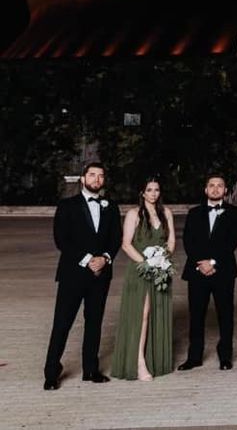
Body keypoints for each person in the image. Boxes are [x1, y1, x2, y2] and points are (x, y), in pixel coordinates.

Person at [43, 162, 122, 390]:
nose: (97, 179)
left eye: (100, 176)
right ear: (83, 179)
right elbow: (62, 240)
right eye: (92, 175)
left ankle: (91, 369)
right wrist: (88, 259)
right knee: (62, 323)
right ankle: (51, 372)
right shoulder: (67, 206)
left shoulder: (111, 206)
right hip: (73, 274)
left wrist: (105, 258)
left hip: (101, 275)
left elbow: (115, 238)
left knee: (94, 322)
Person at [110, 177, 176, 380]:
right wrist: (147, 263)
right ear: (142, 192)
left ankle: (157, 360)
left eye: (157, 189)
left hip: (161, 271)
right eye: (149, 190)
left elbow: (171, 240)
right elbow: (126, 244)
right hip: (140, 270)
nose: (153, 193)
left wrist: (163, 259)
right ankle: (138, 362)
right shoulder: (134, 214)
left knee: (157, 312)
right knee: (143, 314)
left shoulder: (166, 213)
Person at [177, 175, 237, 371]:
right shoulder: (194, 213)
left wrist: (213, 262)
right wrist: (202, 263)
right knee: (196, 315)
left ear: (226, 190)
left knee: (226, 314)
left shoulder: (234, 213)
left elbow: (232, 242)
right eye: (211, 186)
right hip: (197, 271)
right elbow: (188, 241)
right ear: (205, 190)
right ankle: (194, 357)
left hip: (223, 271)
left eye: (219, 186)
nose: (215, 189)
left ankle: (225, 356)